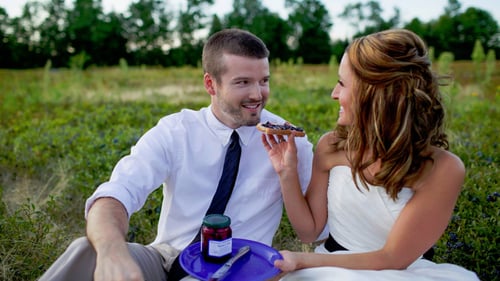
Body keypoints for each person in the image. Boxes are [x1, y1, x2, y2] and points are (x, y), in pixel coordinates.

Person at [39, 28, 313, 281]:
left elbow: (314, 230)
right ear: (210, 84)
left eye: (263, 81)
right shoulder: (176, 131)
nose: (257, 94)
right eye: (242, 82)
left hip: (238, 268)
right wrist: (112, 251)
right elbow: (117, 193)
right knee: (86, 249)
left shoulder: (289, 142)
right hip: (168, 259)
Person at [261, 29, 479, 280]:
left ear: (373, 94)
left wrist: (301, 260)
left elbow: (393, 258)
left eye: (342, 83)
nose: (334, 93)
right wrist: (286, 173)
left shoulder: (444, 168)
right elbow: (309, 233)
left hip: (402, 273)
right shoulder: (331, 146)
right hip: (331, 266)